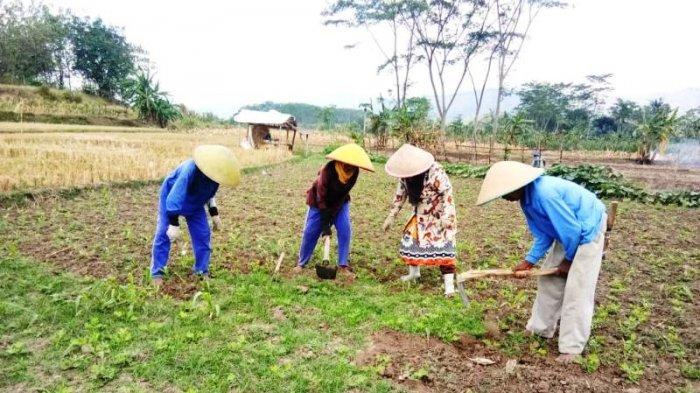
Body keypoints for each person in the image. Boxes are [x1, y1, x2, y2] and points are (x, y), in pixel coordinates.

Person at [476, 161, 607, 363]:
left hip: (588, 229)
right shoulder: (527, 200)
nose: (504, 198)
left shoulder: (545, 194)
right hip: (570, 230)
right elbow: (544, 235)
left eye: (505, 193)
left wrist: (569, 261)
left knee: (577, 288)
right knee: (549, 280)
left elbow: (572, 232)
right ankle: (540, 329)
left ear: (517, 185)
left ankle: (572, 347)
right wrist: (529, 261)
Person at [150, 145, 240, 285]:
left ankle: (201, 270)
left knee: (203, 234)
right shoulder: (190, 169)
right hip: (171, 199)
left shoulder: (215, 175)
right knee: (163, 233)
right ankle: (157, 273)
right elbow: (175, 195)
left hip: (195, 203)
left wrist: (214, 214)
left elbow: (209, 194)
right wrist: (174, 223)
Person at [381, 144, 458, 297]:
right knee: (410, 239)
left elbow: (447, 192)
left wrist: (446, 216)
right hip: (420, 213)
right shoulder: (404, 175)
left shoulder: (435, 171)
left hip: (439, 213)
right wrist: (392, 215)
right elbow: (400, 195)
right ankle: (414, 273)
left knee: (444, 245)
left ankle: (449, 286)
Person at [293, 143, 374, 276]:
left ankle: (343, 265)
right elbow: (320, 196)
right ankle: (301, 263)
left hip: (339, 203)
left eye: (353, 164)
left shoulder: (354, 173)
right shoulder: (328, 169)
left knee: (345, 229)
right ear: (341, 161)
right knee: (310, 231)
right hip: (318, 201)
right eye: (347, 163)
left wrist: (331, 216)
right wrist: (325, 225)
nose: (349, 166)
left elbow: (343, 195)